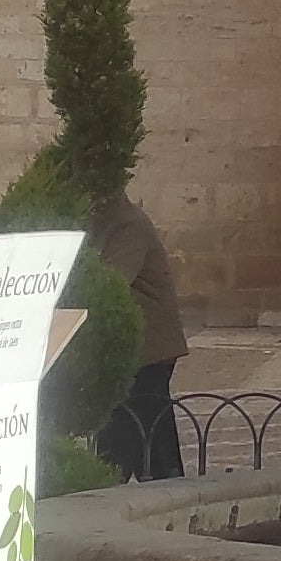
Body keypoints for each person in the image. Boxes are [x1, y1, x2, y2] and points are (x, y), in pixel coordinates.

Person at [88, 183, 189, 480]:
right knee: (153, 432)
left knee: (128, 426)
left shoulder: (127, 225)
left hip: (148, 349)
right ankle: (166, 487)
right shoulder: (109, 223)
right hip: (138, 350)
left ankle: (108, 486)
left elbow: (113, 280)